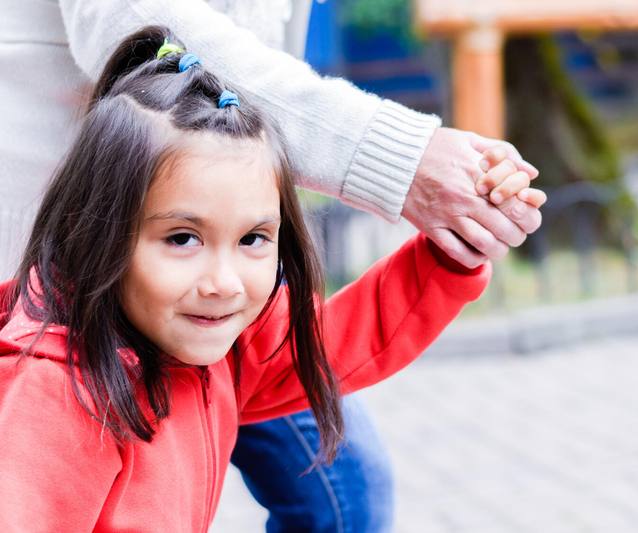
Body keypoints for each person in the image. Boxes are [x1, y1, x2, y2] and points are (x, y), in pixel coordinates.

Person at [0, 2, 543, 531]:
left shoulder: (222, 344)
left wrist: (453, 252)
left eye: (254, 238)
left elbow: (340, 341)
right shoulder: (57, 398)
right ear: (100, 232)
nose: (225, 282)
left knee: (347, 496)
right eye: (183, 238)